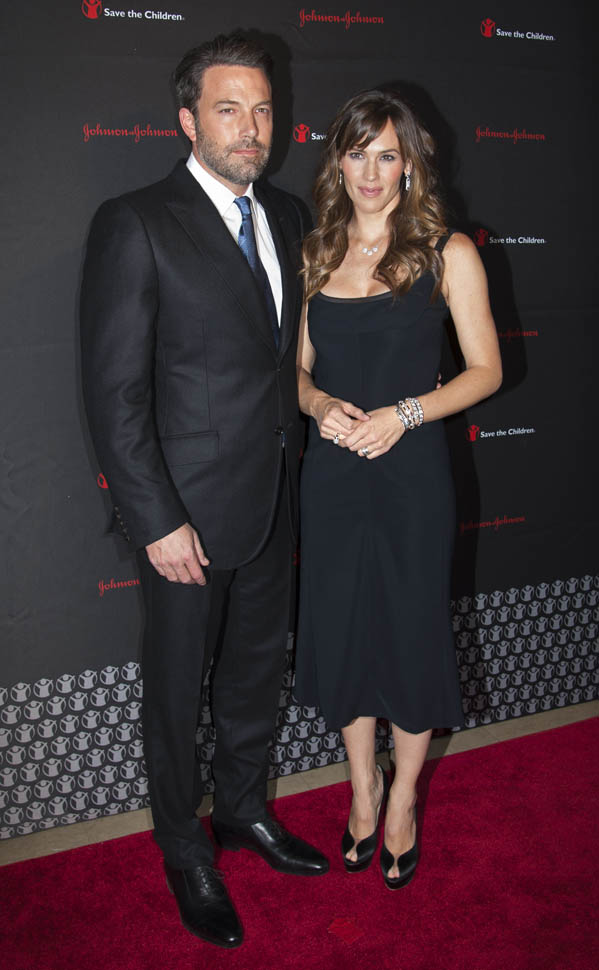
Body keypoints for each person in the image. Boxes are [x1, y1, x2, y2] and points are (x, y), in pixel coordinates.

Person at [80, 32, 328, 950]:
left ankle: (245, 810)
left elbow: (286, 363)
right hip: (183, 518)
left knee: (257, 676)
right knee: (178, 692)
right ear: (187, 120)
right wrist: (155, 520)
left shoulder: (291, 217)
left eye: (261, 109)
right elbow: (114, 393)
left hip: (274, 499)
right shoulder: (136, 221)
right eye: (228, 109)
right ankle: (185, 849)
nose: (250, 127)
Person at [294, 89, 502, 889]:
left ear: (410, 163)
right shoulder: (317, 251)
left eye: (387, 154)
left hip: (412, 475)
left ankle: (404, 798)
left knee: (410, 636)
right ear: (337, 162)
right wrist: (317, 405)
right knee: (344, 632)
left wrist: (406, 414)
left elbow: (484, 370)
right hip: (333, 475)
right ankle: (362, 789)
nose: (371, 171)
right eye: (357, 153)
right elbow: (296, 371)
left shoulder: (447, 251)